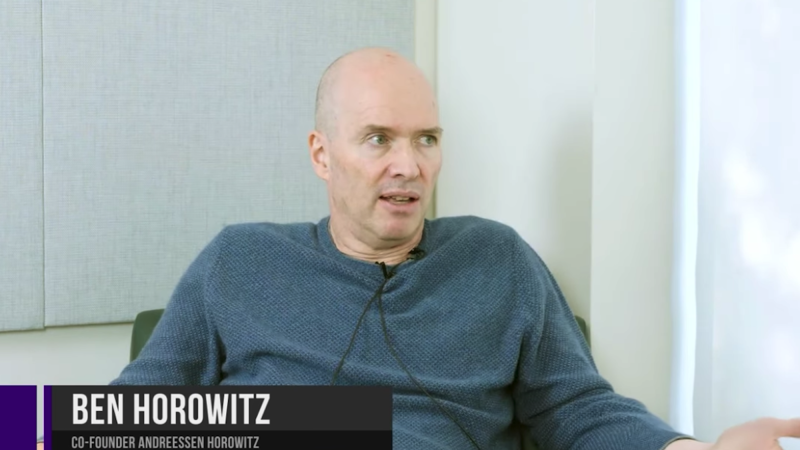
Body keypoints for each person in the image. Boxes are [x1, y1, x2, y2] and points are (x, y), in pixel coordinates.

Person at [111, 48, 800, 450]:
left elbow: (578, 408)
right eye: (379, 139)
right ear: (322, 155)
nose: (409, 165)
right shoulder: (240, 261)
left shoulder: (495, 259)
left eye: (427, 139)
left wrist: (691, 449)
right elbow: (129, 415)